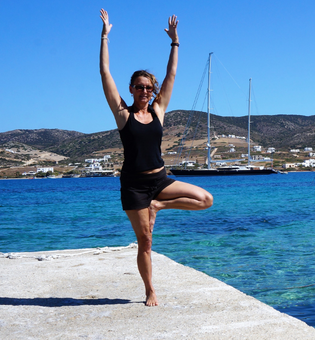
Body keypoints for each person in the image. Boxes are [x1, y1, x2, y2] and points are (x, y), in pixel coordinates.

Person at [99, 9, 213, 307]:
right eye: (139, 87)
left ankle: (158, 205)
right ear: (131, 89)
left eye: (149, 88)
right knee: (146, 241)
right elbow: (105, 74)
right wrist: (105, 37)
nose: (145, 92)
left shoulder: (158, 110)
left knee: (205, 199)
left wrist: (175, 43)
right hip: (134, 186)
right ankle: (150, 290)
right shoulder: (123, 115)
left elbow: (172, 73)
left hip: (160, 181)